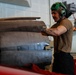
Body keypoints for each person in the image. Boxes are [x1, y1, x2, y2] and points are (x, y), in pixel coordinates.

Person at [43, 2, 74, 75]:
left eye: (54, 13)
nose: (52, 15)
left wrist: (42, 29)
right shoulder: (57, 25)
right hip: (57, 58)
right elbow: (46, 32)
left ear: (62, 12)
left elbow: (57, 32)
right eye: (52, 13)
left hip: (65, 60)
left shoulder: (66, 22)